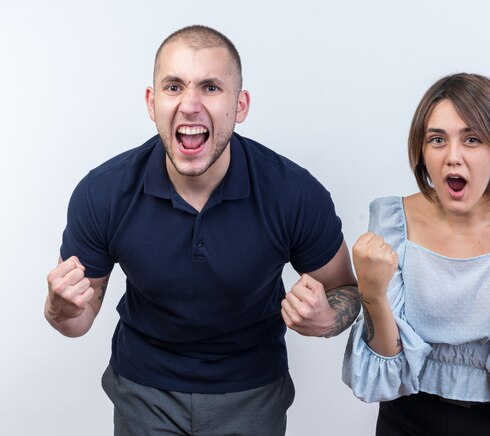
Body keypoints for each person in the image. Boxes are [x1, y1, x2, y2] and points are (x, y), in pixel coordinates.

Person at [44, 25, 360, 436]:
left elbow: (346, 290)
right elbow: (79, 316)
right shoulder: (103, 191)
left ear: (240, 105)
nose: (190, 105)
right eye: (173, 87)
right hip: (143, 390)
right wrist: (59, 310)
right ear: (151, 101)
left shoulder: (293, 193)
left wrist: (327, 318)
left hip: (254, 391)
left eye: (210, 87)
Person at [342, 73, 490, 435]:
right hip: (406, 418)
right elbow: (386, 372)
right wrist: (372, 295)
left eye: (472, 139)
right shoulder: (393, 223)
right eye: (437, 139)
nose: (453, 157)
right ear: (422, 152)